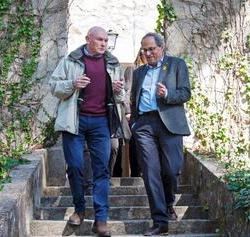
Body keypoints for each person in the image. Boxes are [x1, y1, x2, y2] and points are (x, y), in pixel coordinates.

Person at [49, 26, 124, 237]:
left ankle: (100, 219)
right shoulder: (71, 60)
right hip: (75, 120)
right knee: (75, 166)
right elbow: (54, 86)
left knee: (102, 170)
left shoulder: (112, 63)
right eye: (99, 39)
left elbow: (120, 96)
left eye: (105, 41)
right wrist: (72, 84)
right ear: (88, 39)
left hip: (101, 122)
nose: (103, 43)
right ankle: (79, 210)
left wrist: (119, 90)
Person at [130, 32, 191, 236]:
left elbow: (185, 93)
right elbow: (134, 97)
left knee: (171, 170)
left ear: (161, 47)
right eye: (144, 50)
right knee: (150, 172)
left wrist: (168, 94)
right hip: (144, 125)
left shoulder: (176, 65)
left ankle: (168, 203)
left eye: (151, 49)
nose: (147, 53)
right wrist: (134, 121)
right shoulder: (138, 72)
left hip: (169, 123)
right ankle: (159, 220)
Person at [124, 50, 147, 177]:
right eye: (144, 52)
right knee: (134, 143)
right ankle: (136, 174)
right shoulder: (132, 69)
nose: (147, 55)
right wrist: (127, 111)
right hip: (135, 114)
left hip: (148, 114)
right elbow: (128, 90)